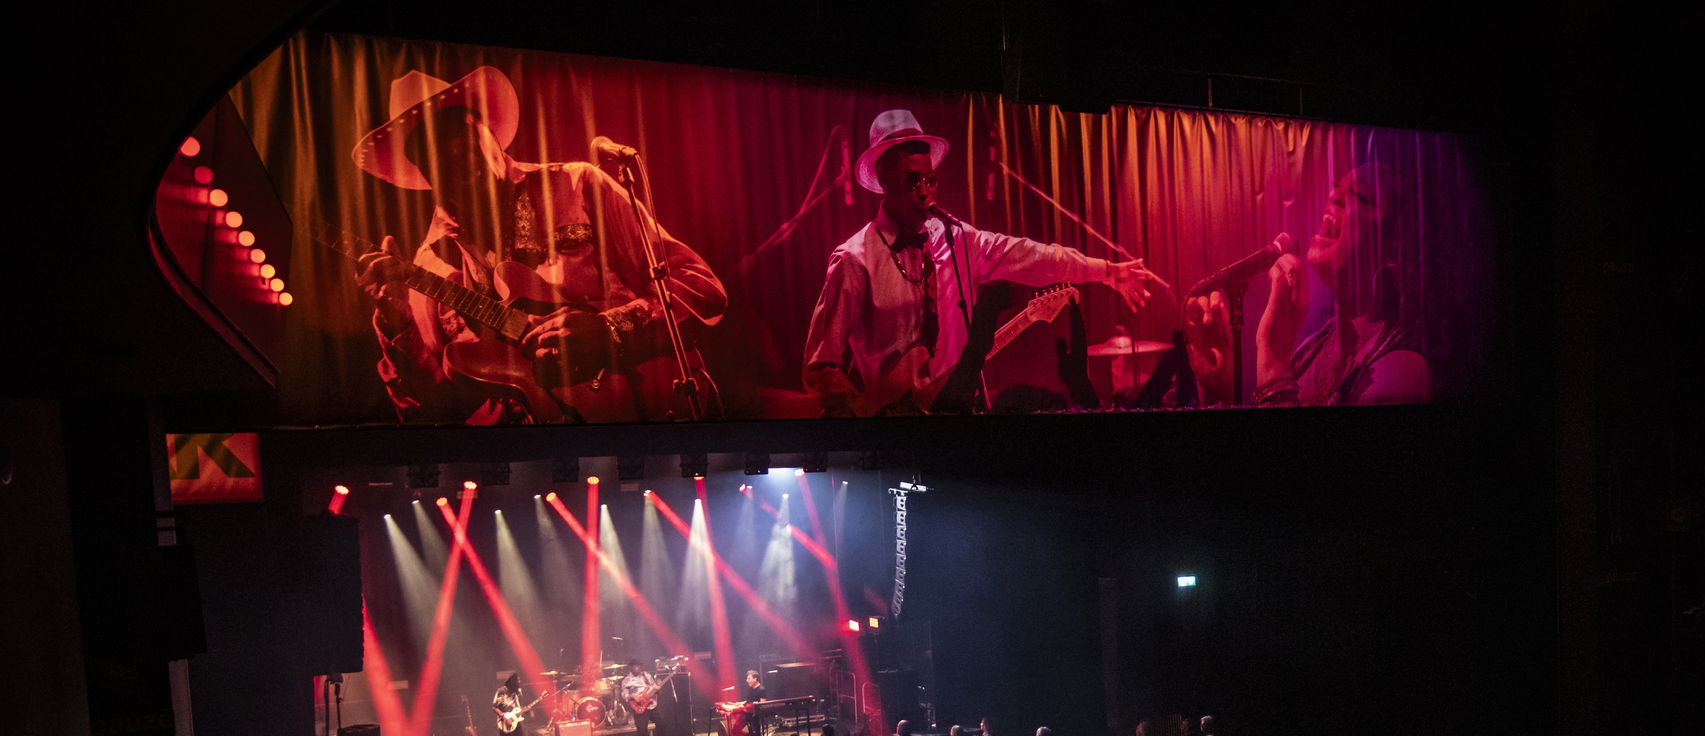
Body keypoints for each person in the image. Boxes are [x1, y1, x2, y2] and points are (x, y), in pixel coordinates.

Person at [351, 65, 726, 425]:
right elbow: (429, 405)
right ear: (424, 171)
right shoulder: (428, 264)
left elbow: (699, 285)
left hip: (642, 406)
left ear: (492, 135)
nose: (456, 156)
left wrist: (609, 329)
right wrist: (394, 323)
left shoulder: (577, 184)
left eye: (463, 136)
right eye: (435, 152)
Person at [803, 109, 1150, 416]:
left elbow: (1032, 256)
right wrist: (866, 416)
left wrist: (1104, 271)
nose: (924, 191)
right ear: (882, 181)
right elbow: (820, 368)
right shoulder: (854, 260)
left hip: (966, 412)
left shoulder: (959, 240)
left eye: (930, 179)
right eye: (912, 180)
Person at [1195, 162, 1429, 407]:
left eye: (1359, 195)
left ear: (1393, 247)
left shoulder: (1401, 369)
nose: (1333, 196)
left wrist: (1274, 364)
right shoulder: (1312, 350)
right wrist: (1217, 386)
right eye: (1337, 187)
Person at [492, 672, 529, 736]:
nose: (519, 682)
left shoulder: (517, 692)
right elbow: (494, 707)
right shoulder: (501, 691)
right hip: (504, 722)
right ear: (512, 681)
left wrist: (524, 710)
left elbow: (517, 707)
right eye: (518, 680)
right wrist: (504, 717)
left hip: (516, 720)